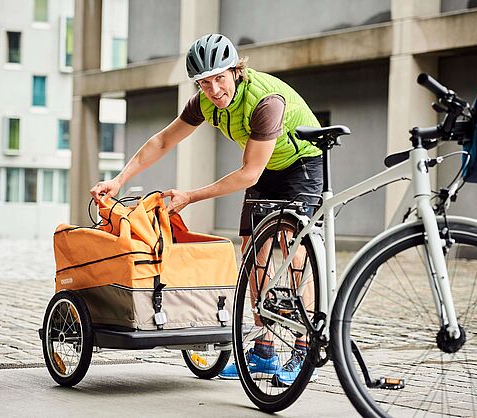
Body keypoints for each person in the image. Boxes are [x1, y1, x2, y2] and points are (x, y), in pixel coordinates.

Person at [90, 33, 323, 386]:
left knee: (293, 250)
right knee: (254, 254)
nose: (214, 89)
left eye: (219, 78)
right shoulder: (204, 102)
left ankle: (304, 348)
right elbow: (163, 140)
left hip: (301, 164)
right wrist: (119, 180)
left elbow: (248, 173)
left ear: (235, 70)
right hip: (265, 168)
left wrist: (192, 196)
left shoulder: (265, 102)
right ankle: (265, 351)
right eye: (204, 82)